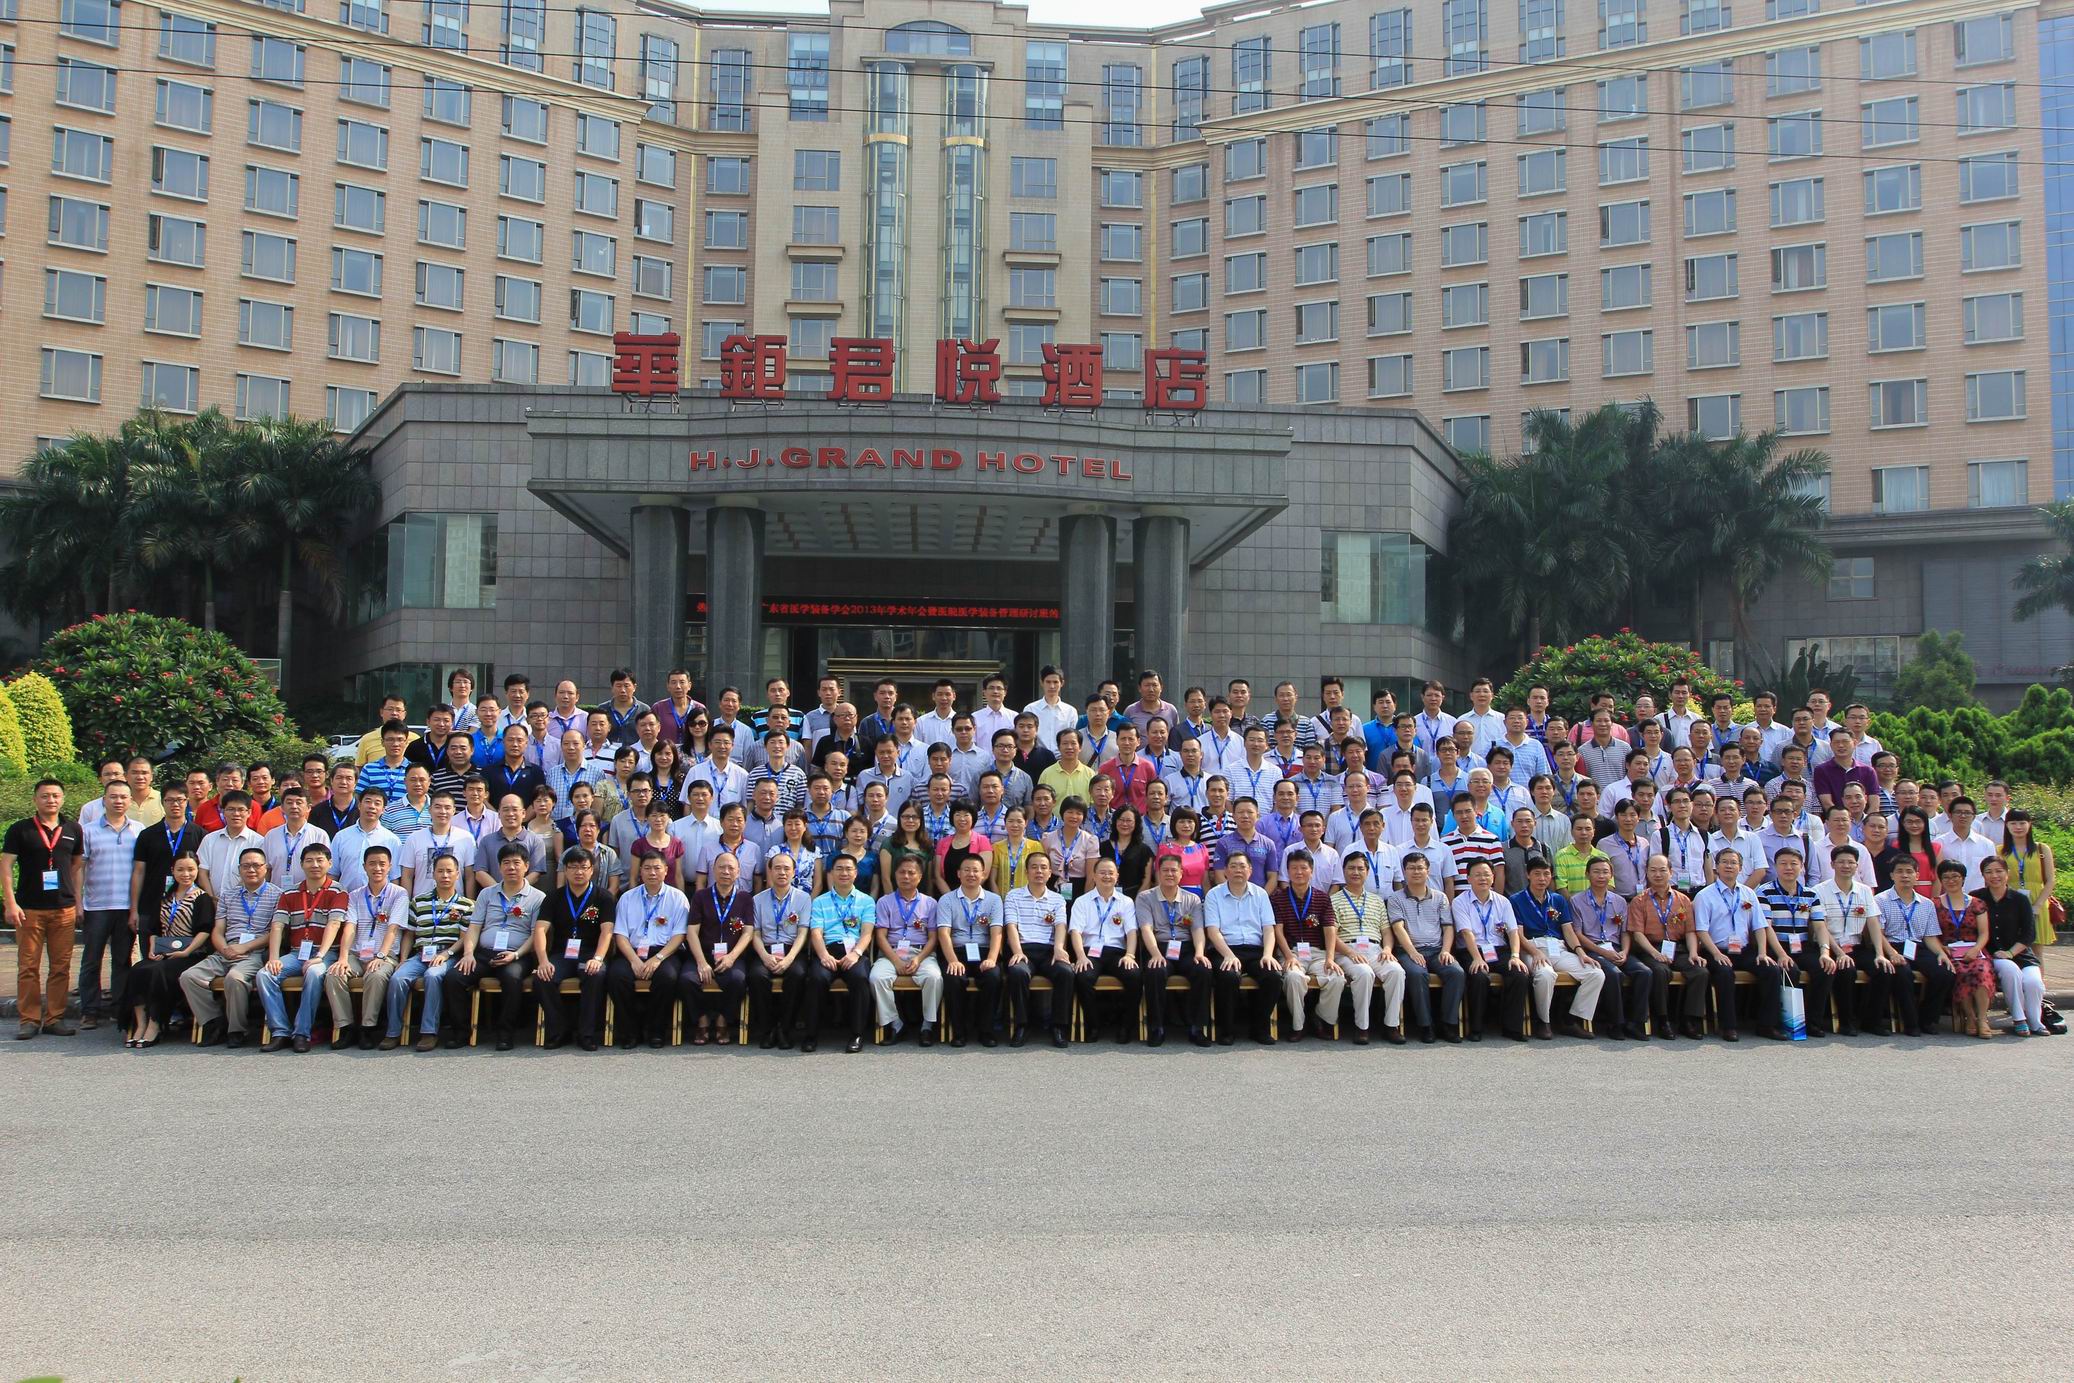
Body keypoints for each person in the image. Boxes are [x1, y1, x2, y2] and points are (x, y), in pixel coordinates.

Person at [179, 846, 280, 1047]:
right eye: (246, 866)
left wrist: (245, 948)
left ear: (266, 868)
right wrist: (224, 949)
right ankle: (213, 1022)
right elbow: (218, 930)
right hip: (226, 949)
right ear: (239, 869)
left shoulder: (277, 895)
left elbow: (277, 932)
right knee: (189, 977)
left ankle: (237, 1030)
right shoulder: (228, 895)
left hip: (255, 952)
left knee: (235, 978)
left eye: (256, 865)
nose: (251, 870)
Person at [255, 842, 347, 1053]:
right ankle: (280, 1032)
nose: (315, 865)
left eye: (320, 860)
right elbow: (278, 926)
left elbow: (334, 923)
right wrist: (273, 957)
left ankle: (302, 1033)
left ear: (329, 863)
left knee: (314, 973)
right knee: (265, 974)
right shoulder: (289, 892)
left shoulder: (338, 891)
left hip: (327, 953)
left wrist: (320, 955)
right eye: (309, 860)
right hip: (297, 953)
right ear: (302, 864)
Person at [1691, 849, 1786, 1041]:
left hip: (1743, 950)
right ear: (1716, 867)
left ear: (1740, 868)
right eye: (1724, 862)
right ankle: (1729, 1027)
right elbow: (1701, 930)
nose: (1729, 866)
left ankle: (1767, 1025)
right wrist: (1716, 954)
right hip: (1716, 950)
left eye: (1733, 863)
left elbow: (1759, 926)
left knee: (1771, 970)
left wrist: (1762, 952)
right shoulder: (1705, 895)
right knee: (1725, 973)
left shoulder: (1749, 893)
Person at [123, 850, 214, 1047]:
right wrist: (152, 949)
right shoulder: (165, 897)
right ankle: (140, 1024)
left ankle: (155, 1024)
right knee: (138, 970)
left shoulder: (202, 898)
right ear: (173, 870)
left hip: (190, 955)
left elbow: (205, 931)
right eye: (180, 869)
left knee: (158, 973)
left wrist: (186, 951)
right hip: (163, 952)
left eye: (191, 869)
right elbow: (154, 929)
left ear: (197, 871)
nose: (186, 874)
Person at [383, 852, 471, 1051]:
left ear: (458, 874)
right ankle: (393, 1032)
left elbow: (465, 937)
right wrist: (403, 959)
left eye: (449, 871)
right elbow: (409, 934)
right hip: (420, 954)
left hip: (448, 955)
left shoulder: (466, 905)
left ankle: (429, 1032)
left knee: (433, 976)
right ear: (433, 873)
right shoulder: (418, 902)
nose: (445, 875)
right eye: (440, 871)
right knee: (398, 978)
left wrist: (447, 954)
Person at [324, 844, 406, 1050]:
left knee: (376, 975)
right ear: (364, 866)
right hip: (357, 953)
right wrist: (343, 958)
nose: (377, 868)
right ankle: (346, 1027)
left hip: (385, 955)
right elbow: (350, 928)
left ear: (390, 867)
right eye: (372, 864)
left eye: (382, 864)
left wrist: (380, 956)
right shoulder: (354, 895)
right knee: (334, 973)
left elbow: (393, 929)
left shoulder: (399, 894)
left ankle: (368, 1028)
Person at [76, 779, 143, 1032]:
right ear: (104, 800)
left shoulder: (138, 830)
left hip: (126, 906)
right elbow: (79, 868)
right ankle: (89, 1011)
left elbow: (140, 871)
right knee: (91, 960)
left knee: (122, 961)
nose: (118, 801)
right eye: (113, 796)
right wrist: (78, 902)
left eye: (123, 797)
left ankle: (119, 1010)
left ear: (130, 801)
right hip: (96, 906)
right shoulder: (88, 831)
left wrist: (135, 909)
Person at [1519, 855, 1610, 1038]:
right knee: (1545, 975)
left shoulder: (1558, 900)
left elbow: (1568, 930)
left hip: (1558, 948)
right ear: (1528, 875)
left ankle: (1571, 1020)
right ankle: (1544, 1021)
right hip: (1532, 948)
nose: (1542, 878)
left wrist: (1581, 952)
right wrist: (1535, 952)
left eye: (1546, 874)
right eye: (1537, 874)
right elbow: (1518, 934)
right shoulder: (1517, 899)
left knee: (1595, 973)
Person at [608, 852, 689, 1048]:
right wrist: (634, 960)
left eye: (657, 868)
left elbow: (679, 935)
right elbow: (620, 935)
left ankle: (656, 1032)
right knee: (617, 976)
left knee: (667, 977)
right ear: (640, 872)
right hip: (632, 951)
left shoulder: (677, 897)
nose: (652, 872)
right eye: (647, 868)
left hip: (665, 952)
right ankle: (630, 1032)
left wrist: (658, 958)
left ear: (666, 871)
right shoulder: (627, 898)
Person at [529, 847, 606, 1050]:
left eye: (583, 867)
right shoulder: (554, 897)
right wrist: (543, 961)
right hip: (561, 954)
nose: (578, 872)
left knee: (596, 975)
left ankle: (586, 1034)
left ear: (592, 870)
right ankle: (559, 1030)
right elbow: (540, 930)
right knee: (542, 977)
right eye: (573, 867)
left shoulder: (603, 897)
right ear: (565, 870)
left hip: (590, 953)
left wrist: (598, 958)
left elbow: (607, 932)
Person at [1325, 850, 1404, 1044]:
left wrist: (1387, 949)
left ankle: (1391, 1026)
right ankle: (1362, 1027)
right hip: (1347, 951)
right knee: (1364, 973)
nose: (1356, 872)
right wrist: (1350, 952)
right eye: (1351, 868)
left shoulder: (1377, 900)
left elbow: (1386, 931)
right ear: (1344, 871)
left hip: (1376, 950)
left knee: (1396, 971)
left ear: (1367, 872)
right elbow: (1332, 935)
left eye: (1360, 868)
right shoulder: (1333, 900)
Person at [1203, 850, 1281, 1045]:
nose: (1238, 870)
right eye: (1233, 866)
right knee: (1228, 976)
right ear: (1225, 871)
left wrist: (1268, 955)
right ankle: (1227, 1030)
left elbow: (1268, 929)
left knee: (1273, 976)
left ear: (1250, 870)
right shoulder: (1214, 895)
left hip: (1255, 950)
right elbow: (1212, 931)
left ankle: (1259, 1028)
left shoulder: (1260, 894)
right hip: (1225, 949)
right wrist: (1229, 955)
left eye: (1242, 866)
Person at [1451, 858, 1534, 1041]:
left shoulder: (1503, 901)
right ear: (1468, 878)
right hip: (1472, 951)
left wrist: (1515, 955)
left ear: (1493, 877)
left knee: (1519, 974)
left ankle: (1512, 1028)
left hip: (1499, 950)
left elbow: (1513, 931)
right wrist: (1477, 958)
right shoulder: (1460, 902)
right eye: (1478, 875)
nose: (1483, 878)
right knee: (1479, 976)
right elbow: (1466, 933)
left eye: (1487, 874)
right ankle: (1476, 1028)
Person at [804, 853, 876, 1053]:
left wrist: (856, 953)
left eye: (848, 869)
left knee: (860, 978)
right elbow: (816, 933)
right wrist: (823, 956)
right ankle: (811, 1035)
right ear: (831, 873)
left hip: (855, 951)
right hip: (828, 950)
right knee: (817, 978)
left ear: (856, 873)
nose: (844, 873)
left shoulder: (867, 901)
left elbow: (867, 933)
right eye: (839, 869)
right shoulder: (820, 901)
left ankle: (857, 1034)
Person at [1875, 854, 1955, 1035]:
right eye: (1899, 871)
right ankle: (1911, 1024)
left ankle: (1927, 1019)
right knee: (1903, 974)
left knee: (1944, 972)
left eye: (1909, 871)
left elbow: (1930, 937)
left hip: (1918, 947)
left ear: (1917, 876)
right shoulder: (1880, 900)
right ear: (1892, 875)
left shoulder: (1926, 904)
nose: (1905, 875)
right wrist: (1892, 953)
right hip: (1892, 946)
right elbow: (1878, 934)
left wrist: (1941, 953)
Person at [1068, 856, 1143, 1045]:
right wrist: (1080, 956)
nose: (1107, 876)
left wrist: (1130, 955)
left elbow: (1132, 932)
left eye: (1111, 873)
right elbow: (1075, 932)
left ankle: (1126, 1027)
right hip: (1089, 952)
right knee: (1083, 976)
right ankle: (1093, 1025)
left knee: (1134, 975)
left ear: (1117, 876)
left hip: (1117, 952)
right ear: (1094, 875)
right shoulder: (1082, 901)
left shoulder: (1126, 902)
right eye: (1102, 872)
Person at [1137, 851, 1207, 1046]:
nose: (1169, 874)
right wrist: (1155, 954)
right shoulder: (1145, 898)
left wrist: (1199, 953)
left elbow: (1197, 929)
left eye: (1174, 870)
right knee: (1155, 971)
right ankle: (1157, 1028)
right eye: (1165, 870)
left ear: (1181, 873)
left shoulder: (1192, 899)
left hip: (1186, 948)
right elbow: (1146, 929)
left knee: (1203, 970)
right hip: (1159, 947)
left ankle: (1197, 1028)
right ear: (1158, 873)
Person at [871, 856, 942, 1045]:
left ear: (920, 876)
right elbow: (880, 937)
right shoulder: (884, 902)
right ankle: (896, 1024)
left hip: (921, 953)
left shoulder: (930, 903)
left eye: (911, 873)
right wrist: (896, 961)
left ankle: (927, 1026)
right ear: (895, 875)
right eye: (902, 872)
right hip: (891, 953)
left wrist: (918, 959)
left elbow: (933, 938)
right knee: (877, 978)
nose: (906, 876)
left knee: (934, 977)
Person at [1976, 856, 2049, 1036]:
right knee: (2011, 971)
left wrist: (2011, 952)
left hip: (2020, 953)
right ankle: (2019, 1018)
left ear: (2007, 873)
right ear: (1983, 875)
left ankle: (2035, 1021)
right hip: (1992, 954)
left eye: (1999, 871)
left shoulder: (2020, 899)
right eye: (1989, 872)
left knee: (2034, 982)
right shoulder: (1977, 898)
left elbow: (2029, 934)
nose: (1994, 876)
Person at [938, 853, 1005, 1048]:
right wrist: (952, 960)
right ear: (958, 874)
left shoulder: (994, 900)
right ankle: (959, 1032)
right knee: (953, 978)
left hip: (984, 951)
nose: (971, 874)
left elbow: (997, 933)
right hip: (957, 951)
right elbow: (943, 933)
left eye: (976, 870)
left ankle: (986, 1031)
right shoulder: (946, 900)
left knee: (993, 977)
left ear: (983, 874)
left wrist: (992, 958)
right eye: (966, 870)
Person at [1621, 855, 1691, 1040]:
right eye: (1653, 870)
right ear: (1646, 873)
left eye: (1662, 870)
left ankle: (1690, 1020)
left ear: (1671, 872)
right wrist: (1655, 953)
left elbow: (1691, 931)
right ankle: (1663, 1020)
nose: (1658, 874)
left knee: (1699, 971)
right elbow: (1637, 934)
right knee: (1660, 971)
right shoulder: (1639, 901)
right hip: (1650, 948)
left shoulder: (1683, 900)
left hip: (1677, 948)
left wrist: (1693, 953)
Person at [748, 851, 811, 1049]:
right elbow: (755, 933)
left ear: (793, 872)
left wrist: (789, 959)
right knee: (756, 976)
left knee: (797, 974)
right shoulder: (757, 899)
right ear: (770, 871)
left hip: (792, 950)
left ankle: (785, 1029)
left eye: (786, 868)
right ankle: (767, 1030)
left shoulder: (803, 898)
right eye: (777, 868)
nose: (782, 872)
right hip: (765, 949)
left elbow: (802, 933)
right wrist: (765, 956)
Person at [1931, 859, 1997, 1038]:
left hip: (1975, 950)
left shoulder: (1977, 903)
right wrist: (1941, 948)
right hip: (1949, 951)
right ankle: (1970, 1017)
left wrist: (1976, 949)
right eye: (1946, 877)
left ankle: (1982, 1019)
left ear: (1963, 878)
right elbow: (1930, 933)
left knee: (1981, 970)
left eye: (1955, 876)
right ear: (1940, 880)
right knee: (1960, 971)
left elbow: (1984, 933)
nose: (1951, 880)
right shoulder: (1934, 904)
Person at [1999, 809, 2058, 946]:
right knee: (2011, 945)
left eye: (2022, 823)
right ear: (2007, 825)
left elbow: (2050, 879)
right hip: (2010, 899)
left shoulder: (2042, 849)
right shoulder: (1999, 851)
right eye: (2013, 823)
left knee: (2037, 947)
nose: (2018, 827)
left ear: (2029, 824)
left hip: (2037, 898)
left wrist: (2038, 905)